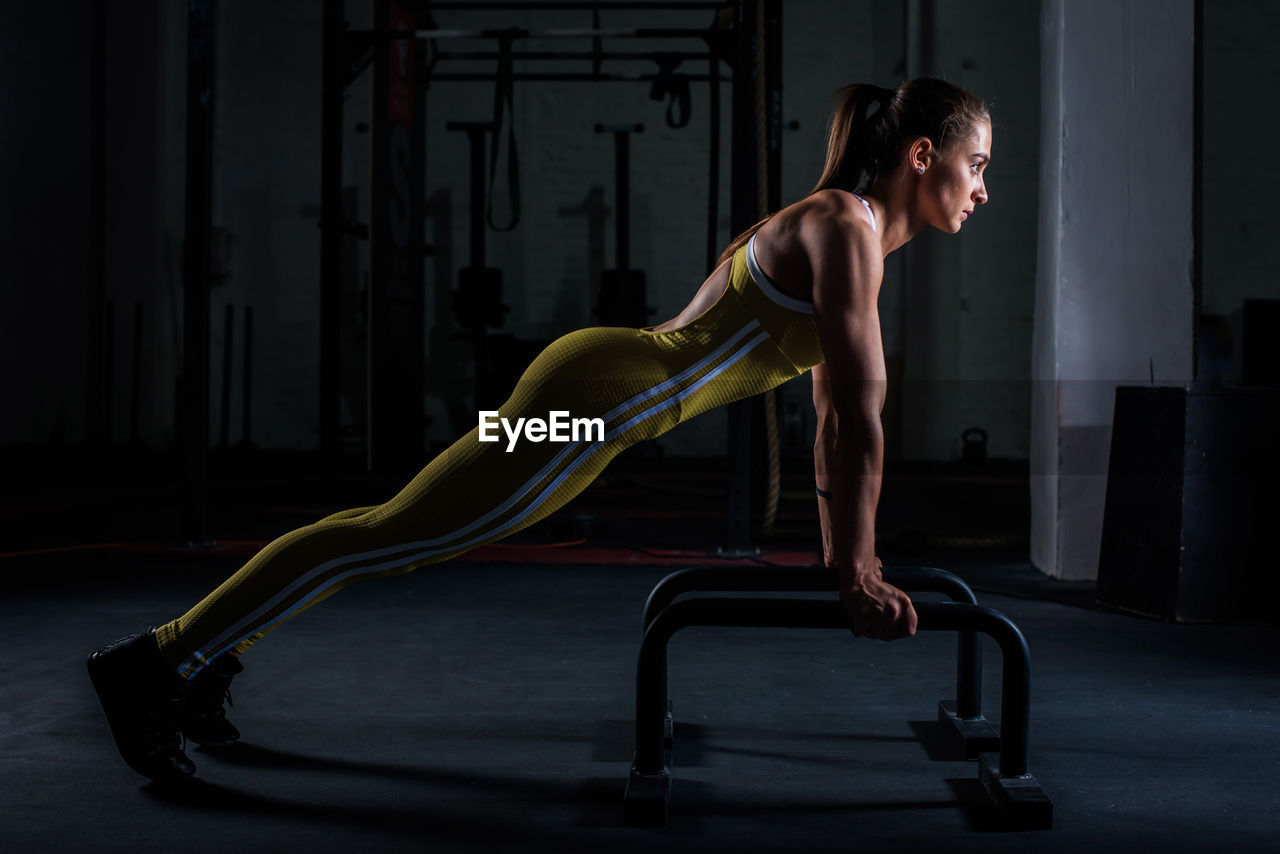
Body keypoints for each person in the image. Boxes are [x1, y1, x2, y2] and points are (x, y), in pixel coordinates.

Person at [88, 76, 991, 783]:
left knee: (391, 531)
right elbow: (861, 420)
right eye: (978, 164)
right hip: (590, 406)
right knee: (392, 535)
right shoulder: (844, 224)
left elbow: (837, 410)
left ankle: (209, 654)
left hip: (595, 397)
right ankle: (158, 665)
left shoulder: (852, 232)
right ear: (922, 154)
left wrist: (849, 567)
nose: (982, 189)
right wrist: (858, 572)